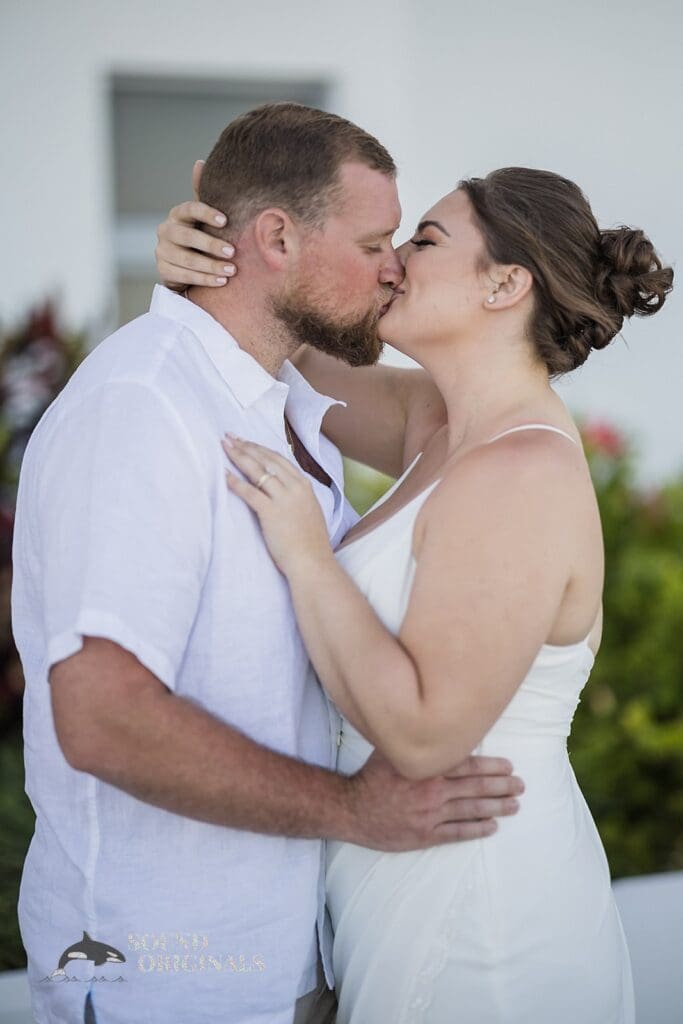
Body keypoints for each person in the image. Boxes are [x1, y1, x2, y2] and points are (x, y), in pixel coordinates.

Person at [11, 103, 522, 1024]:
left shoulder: (280, 400)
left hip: (289, 962)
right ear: (278, 238)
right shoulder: (140, 409)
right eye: (373, 242)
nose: (393, 266)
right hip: (163, 983)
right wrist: (353, 809)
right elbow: (100, 718)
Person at [156, 163, 673, 1021]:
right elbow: (276, 343)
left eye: (424, 241)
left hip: (481, 908)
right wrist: (211, 256)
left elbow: (426, 733)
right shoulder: (435, 423)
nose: (393, 260)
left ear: (504, 284)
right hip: (394, 878)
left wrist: (307, 556)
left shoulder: (521, 473)